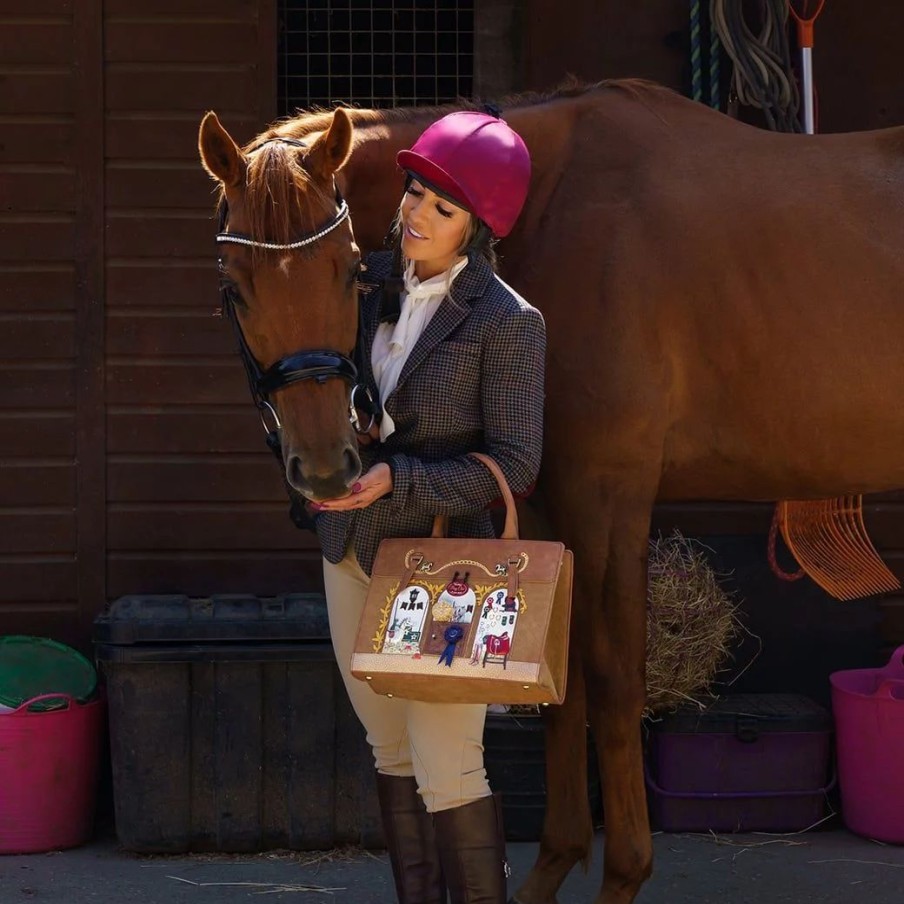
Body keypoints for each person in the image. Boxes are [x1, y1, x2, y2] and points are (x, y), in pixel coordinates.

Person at [311, 110, 546, 904]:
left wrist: (399, 478)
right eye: (415, 193)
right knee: (390, 752)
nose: (415, 213)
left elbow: (516, 464)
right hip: (347, 547)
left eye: (442, 208)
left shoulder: (508, 323)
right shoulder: (364, 280)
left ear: (477, 230)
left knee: (449, 769)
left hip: (446, 570)